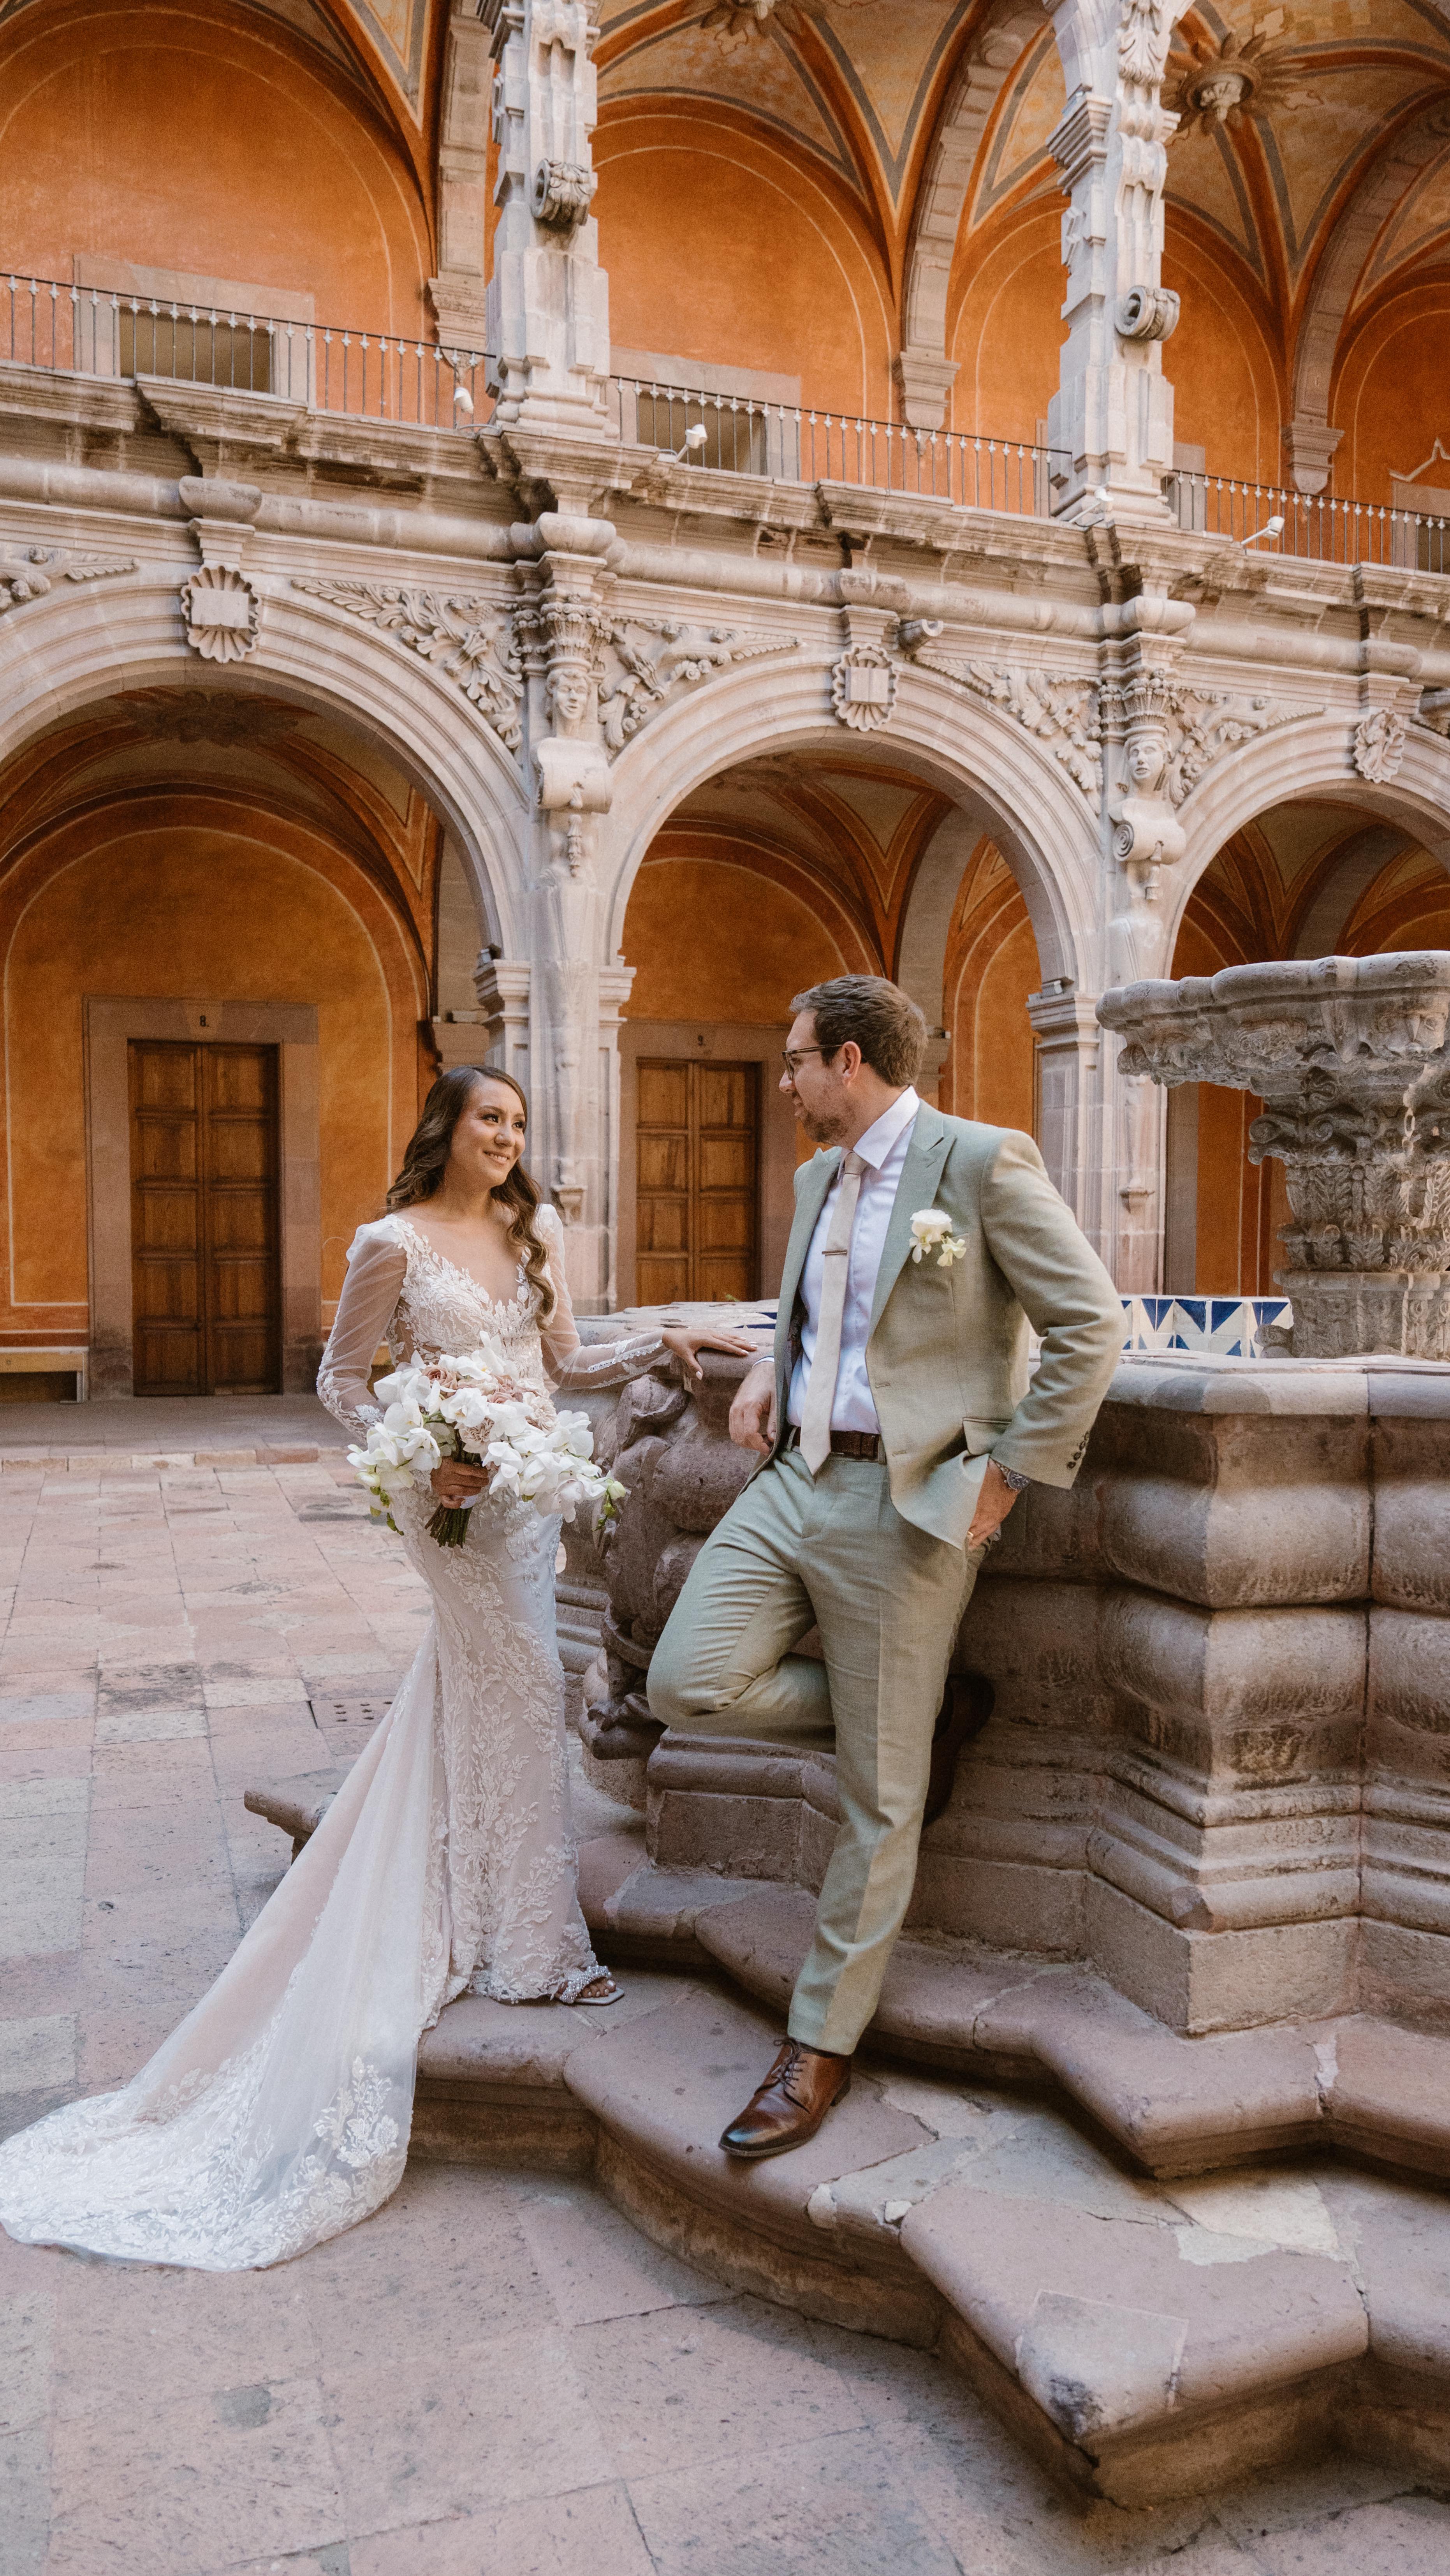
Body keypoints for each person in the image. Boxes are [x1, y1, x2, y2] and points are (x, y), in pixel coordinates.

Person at [0, 1067, 750, 2270]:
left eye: (516, 1123)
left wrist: (660, 1339)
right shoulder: (389, 1242)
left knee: (510, 1692)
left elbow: (564, 1362)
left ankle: (509, 1920)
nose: (505, 1137)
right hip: (449, 1498)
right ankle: (534, 1946)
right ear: (444, 1129)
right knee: (512, 1682)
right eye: (486, 1119)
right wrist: (423, 1450)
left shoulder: (533, 1227)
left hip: (523, 1492)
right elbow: (343, 1384)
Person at [648, 976, 1125, 2161]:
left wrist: (1005, 1479)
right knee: (684, 1684)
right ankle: (919, 1728)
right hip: (794, 1483)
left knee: (877, 1800)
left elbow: (1090, 1323)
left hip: (908, 1503)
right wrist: (769, 1361)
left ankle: (818, 2044)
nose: (786, 1079)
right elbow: (826, 1314)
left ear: (849, 1062)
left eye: (797, 1058)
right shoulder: (817, 1178)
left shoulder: (981, 1162)